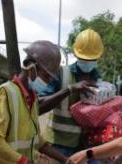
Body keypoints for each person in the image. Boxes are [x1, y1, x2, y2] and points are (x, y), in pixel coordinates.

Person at [39, 28, 104, 156]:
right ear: (75, 54)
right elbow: (39, 106)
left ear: (98, 58)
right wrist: (70, 90)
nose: (88, 63)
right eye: (84, 59)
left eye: (92, 60)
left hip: (86, 146)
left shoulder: (100, 81)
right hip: (59, 146)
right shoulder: (61, 74)